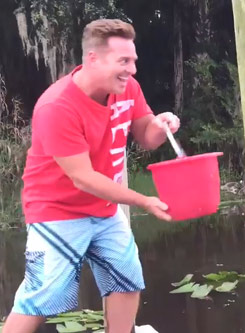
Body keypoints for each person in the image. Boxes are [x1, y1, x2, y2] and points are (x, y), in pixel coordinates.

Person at [3, 19, 180, 333]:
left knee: (126, 278)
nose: (133, 69)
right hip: (56, 212)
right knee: (43, 295)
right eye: (124, 61)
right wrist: (143, 200)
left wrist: (162, 124)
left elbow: (145, 135)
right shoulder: (57, 106)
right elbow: (83, 178)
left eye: (133, 61)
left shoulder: (127, 88)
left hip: (104, 209)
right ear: (93, 59)